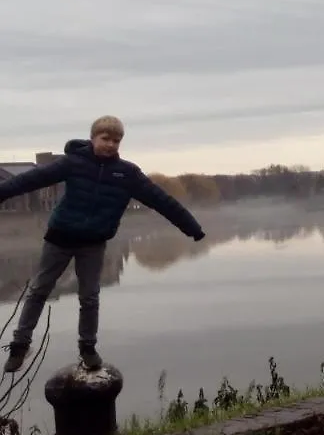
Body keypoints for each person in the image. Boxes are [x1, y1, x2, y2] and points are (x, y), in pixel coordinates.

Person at [0, 116, 205, 373]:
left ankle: (87, 348)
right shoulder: (73, 162)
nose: (110, 144)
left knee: (89, 297)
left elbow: (161, 201)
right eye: (105, 138)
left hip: (93, 244)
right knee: (39, 289)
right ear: (93, 138)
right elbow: (29, 180)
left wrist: (192, 227)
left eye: (116, 140)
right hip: (60, 238)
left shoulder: (127, 174)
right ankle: (20, 345)